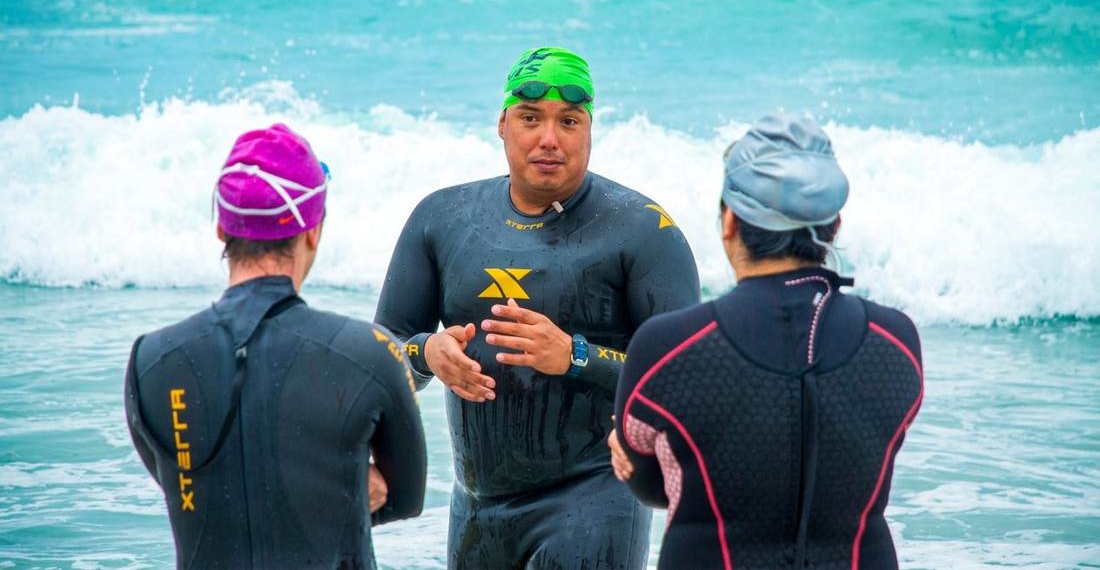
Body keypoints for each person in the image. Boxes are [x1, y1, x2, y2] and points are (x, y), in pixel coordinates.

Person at [375, 47, 701, 569]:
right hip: (476, 509)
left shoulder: (643, 230)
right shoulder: (441, 218)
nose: (549, 138)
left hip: (594, 498)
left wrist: (574, 355)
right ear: (503, 124)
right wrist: (424, 354)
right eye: (531, 118)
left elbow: (686, 382)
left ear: (589, 130)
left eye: (569, 121)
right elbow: (381, 357)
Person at [611, 114, 924, 570]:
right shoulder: (896, 343)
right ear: (833, 226)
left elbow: (646, 480)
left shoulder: (669, 348)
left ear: (730, 221)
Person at [125, 123, 426, 570]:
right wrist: (335, 489)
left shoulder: (151, 360)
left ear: (222, 231)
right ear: (312, 232)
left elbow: (188, 488)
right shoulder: (369, 351)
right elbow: (404, 499)